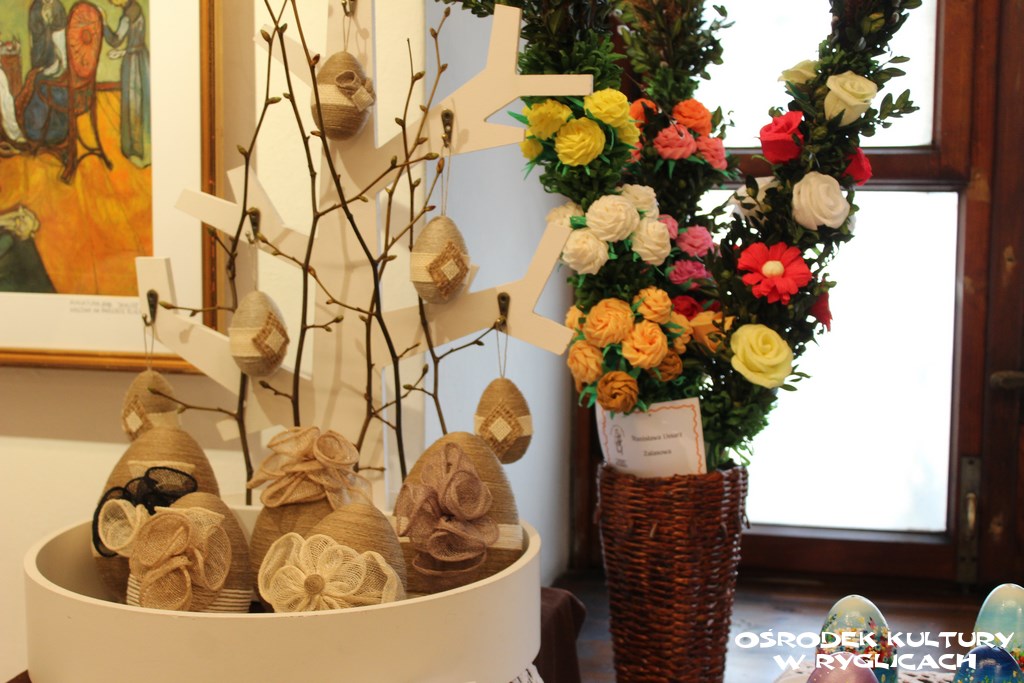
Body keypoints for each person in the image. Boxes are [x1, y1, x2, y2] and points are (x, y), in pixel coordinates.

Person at [103, 0, 150, 167]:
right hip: (142, 58)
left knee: (133, 103)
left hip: (133, 63)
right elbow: (136, 41)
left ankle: (134, 150)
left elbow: (115, 40)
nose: (113, 3)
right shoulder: (137, 9)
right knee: (143, 102)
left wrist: (104, 23)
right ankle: (144, 148)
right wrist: (123, 51)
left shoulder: (127, 16)